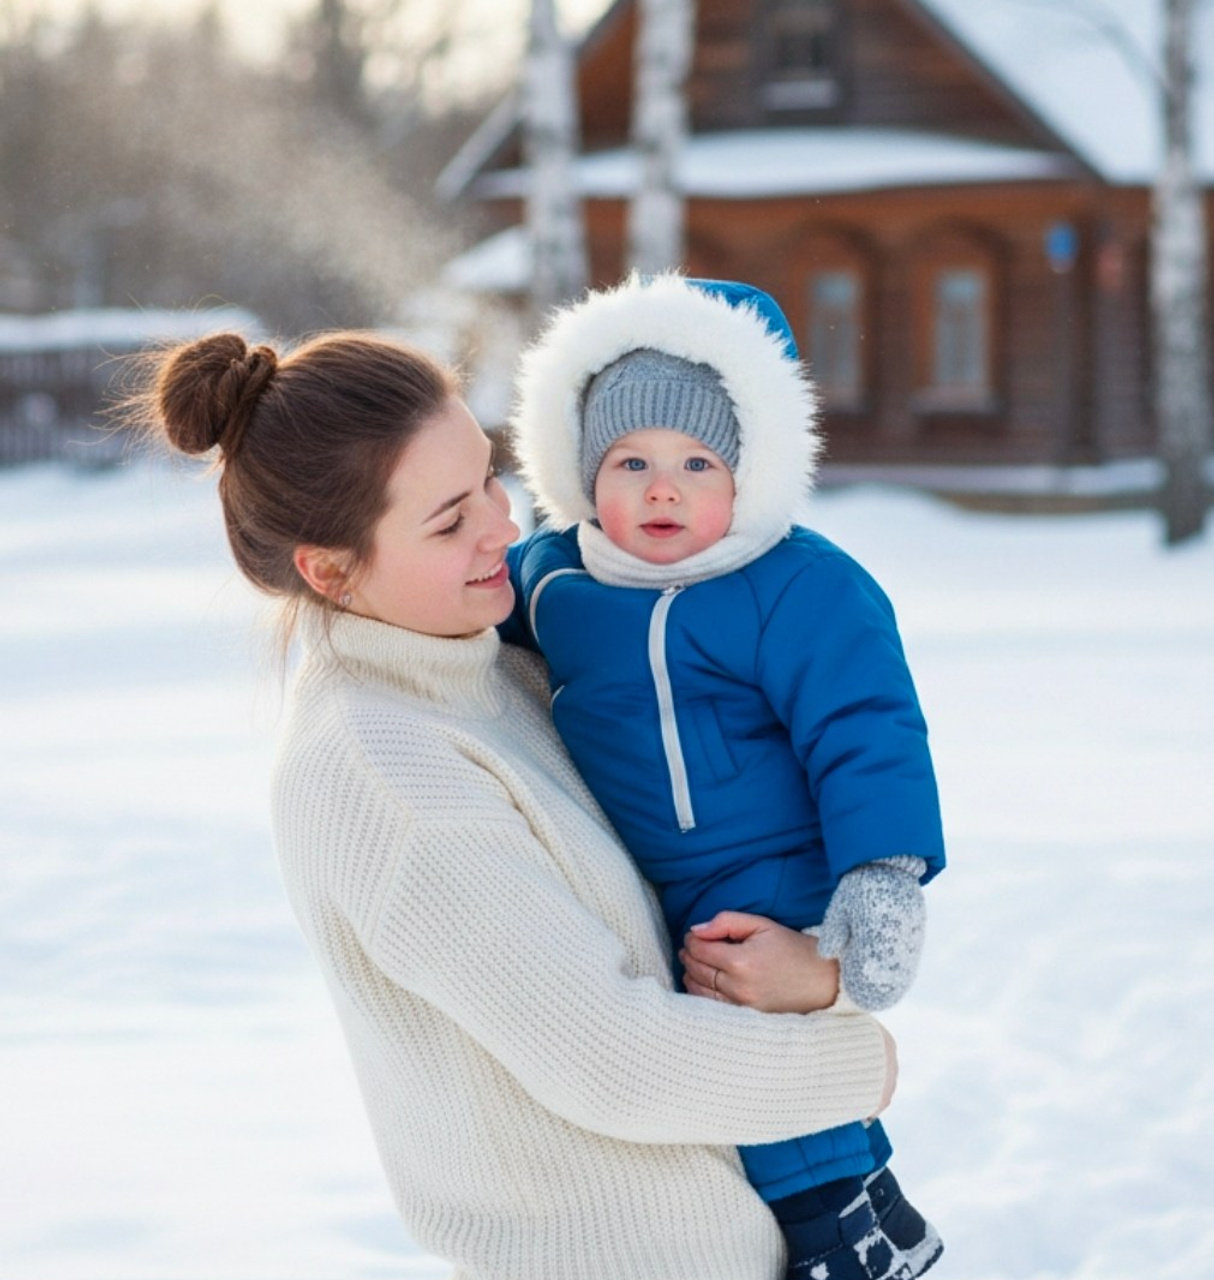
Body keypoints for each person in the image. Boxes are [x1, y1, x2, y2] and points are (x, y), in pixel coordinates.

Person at [138, 328, 901, 1280]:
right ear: (328, 570)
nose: (503, 527)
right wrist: (857, 1063)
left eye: (489, 480)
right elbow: (614, 1061)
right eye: (448, 521)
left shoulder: (504, 667)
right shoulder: (384, 773)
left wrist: (824, 971)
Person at [504, 274, 947, 1280]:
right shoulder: (558, 575)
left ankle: (839, 1233)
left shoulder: (794, 583)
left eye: (697, 461)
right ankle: (879, 1210)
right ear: (582, 471)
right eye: (631, 461)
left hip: (773, 867)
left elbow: (866, 727)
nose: (662, 489)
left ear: (748, 471)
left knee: (754, 1048)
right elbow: (485, 617)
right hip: (657, 876)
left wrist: (881, 872)